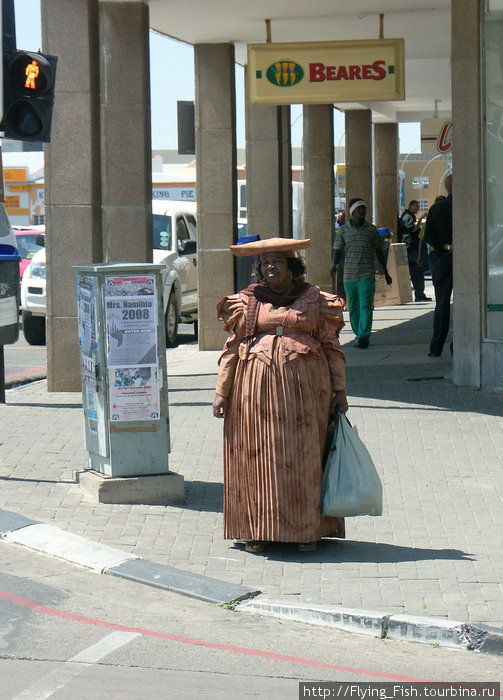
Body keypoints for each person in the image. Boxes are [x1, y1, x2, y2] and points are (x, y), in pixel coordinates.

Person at [212, 237, 348, 554]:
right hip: (254, 394)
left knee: (303, 458)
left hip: (306, 395)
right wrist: (222, 391)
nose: (270, 268)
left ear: (293, 267)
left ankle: (305, 531)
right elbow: (232, 348)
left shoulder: (315, 299)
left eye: (278, 262)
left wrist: (340, 389)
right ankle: (256, 530)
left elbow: (331, 346)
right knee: (257, 457)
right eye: (265, 263)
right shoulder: (247, 300)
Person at [330, 198, 392, 349]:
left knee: (365, 304)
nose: (362, 213)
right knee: (354, 306)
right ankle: (358, 334)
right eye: (359, 210)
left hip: (366, 273)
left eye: (364, 210)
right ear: (352, 213)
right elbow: (337, 249)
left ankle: (364, 335)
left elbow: (379, 251)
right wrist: (333, 265)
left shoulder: (371, 230)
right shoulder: (343, 230)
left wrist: (385, 271)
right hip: (349, 275)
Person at [424, 174, 453, 357]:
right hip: (466, 260)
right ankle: (460, 345)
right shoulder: (469, 205)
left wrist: (443, 245)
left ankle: (436, 346)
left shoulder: (437, 208)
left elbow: (428, 235)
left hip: (443, 259)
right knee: (467, 303)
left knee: (442, 303)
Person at [398, 200, 431, 302]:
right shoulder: (408, 217)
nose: (417, 208)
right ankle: (419, 294)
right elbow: (413, 229)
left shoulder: (408, 216)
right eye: (416, 206)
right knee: (417, 272)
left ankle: (420, 293)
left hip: (412, 248)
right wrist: (421, 219)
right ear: (411, 206)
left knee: (417, 272)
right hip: (412, 249)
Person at [334, 210, 346, 302]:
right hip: (339, 259)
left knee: (345, 281)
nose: (338, 218)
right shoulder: (336, 229)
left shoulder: (347, 230)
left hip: (345, 258)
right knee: (339, 281)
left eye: (340, 217)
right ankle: (342, 300)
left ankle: (345, 300)